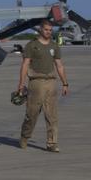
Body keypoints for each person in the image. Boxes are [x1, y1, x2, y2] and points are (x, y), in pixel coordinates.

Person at [17, 19, 68, 151]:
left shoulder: (54, 46)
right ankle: (24, 136)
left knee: (52, 115)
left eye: (50, 30)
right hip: (36, 82)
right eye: (46, 30)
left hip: (51, 82)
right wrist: (21, 85)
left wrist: (65, 83)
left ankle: (52, 143)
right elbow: (25, 65)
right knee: (32, 114)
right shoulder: (31, 45)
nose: (48, 32)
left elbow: (59, 65)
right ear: (40, 29)